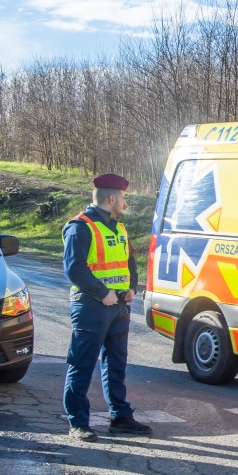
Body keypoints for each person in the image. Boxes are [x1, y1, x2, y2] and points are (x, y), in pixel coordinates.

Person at [62, 173, 149, 442]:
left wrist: (132, 286)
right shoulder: (80, 227)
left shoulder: (119, 228)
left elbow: (129, 260)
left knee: (116, 364)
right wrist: (103, 293)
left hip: (118, 306)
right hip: (91, 306)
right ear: (112, 198)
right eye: (122, 198)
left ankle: (120, 417)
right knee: (82, 364)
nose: (124, 202)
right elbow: (74, 269)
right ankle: (78, 423)